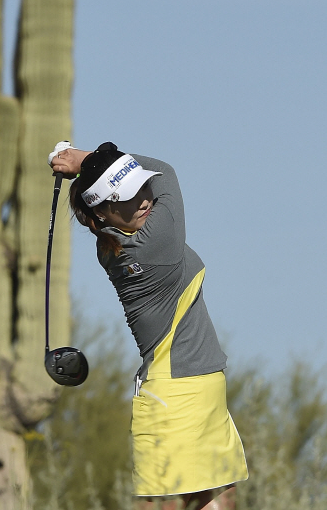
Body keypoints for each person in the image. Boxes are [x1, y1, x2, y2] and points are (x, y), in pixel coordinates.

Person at [48, 141, 248, 510]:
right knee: (165, 504)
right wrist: (87, 158)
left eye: (141, 187)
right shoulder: (157, 242)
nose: (143, 199)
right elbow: (167, 172)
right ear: (105, 212)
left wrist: (94, 165)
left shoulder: (113, 243)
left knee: (220, 494)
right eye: (126, 196)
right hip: (173, 393)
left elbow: (155, 179)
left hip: (200, 386)